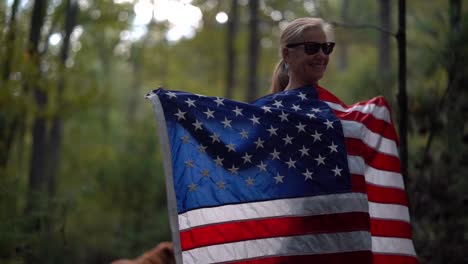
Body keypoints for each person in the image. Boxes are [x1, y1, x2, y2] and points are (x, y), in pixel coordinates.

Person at [270, 17, 334, 93]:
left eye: (325, 47)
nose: (322, 55)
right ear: (287, 54)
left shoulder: (333, 104)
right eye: (311, 47)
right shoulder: (264, 105)